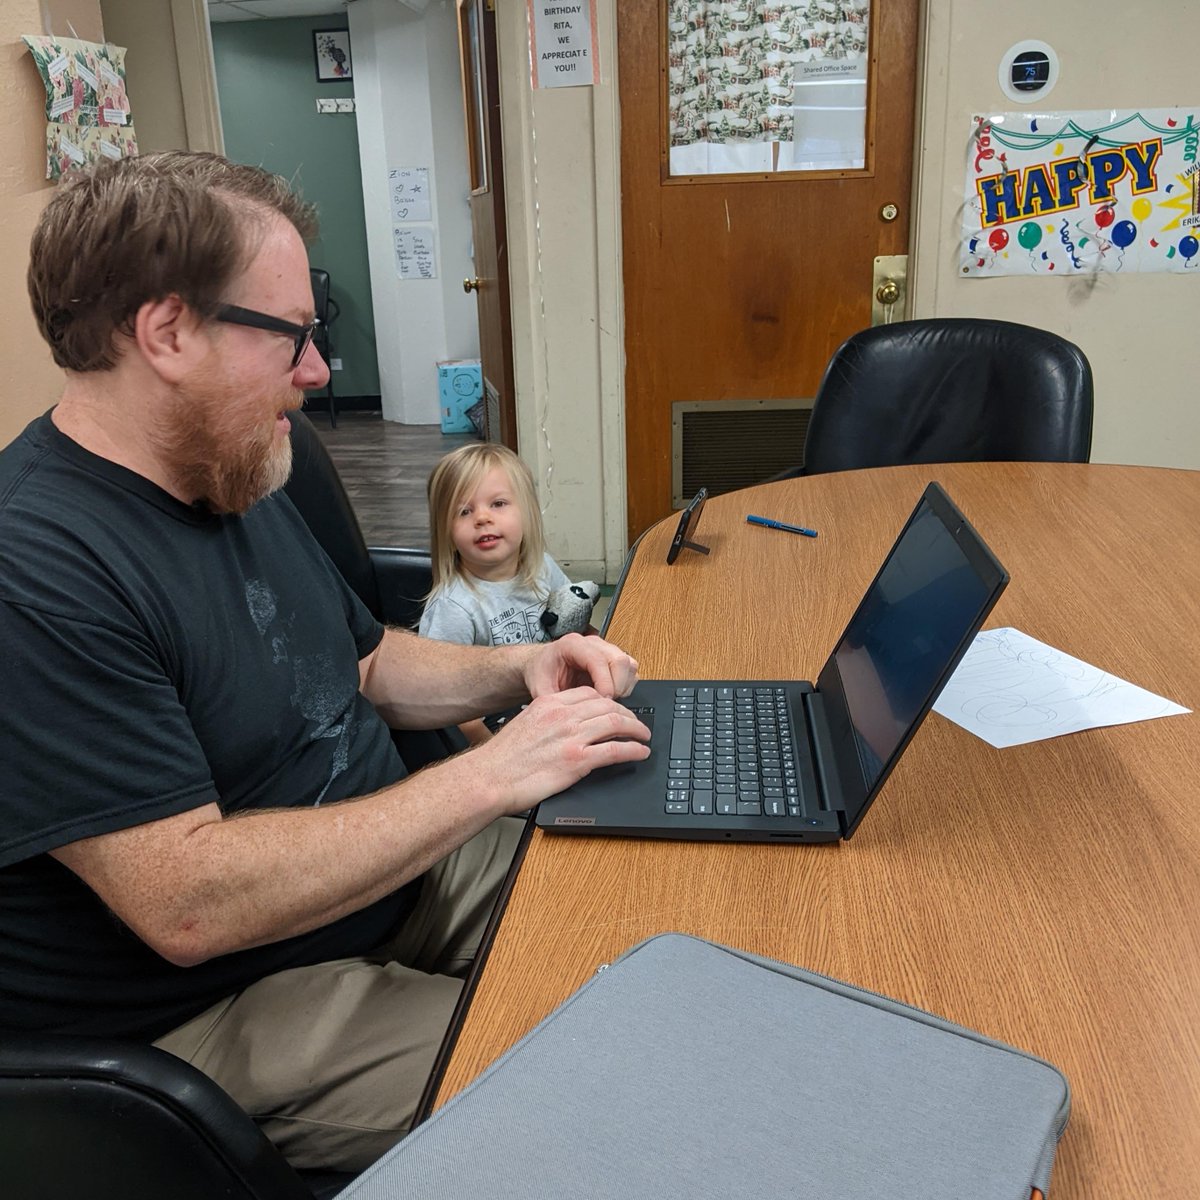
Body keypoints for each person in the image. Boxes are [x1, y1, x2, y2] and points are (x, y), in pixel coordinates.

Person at [0, 151, 650, 1173]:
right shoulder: (35, 570)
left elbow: (360, 661)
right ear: (166, 331)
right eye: (294, 336)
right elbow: (187, 902)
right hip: (219, 997)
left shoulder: (232, 466)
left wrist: (519, 670)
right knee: (616, 1079)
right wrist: (497, 771)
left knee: (668, 924)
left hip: (382, 883)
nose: (318, 371)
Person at [419, 442, 583, 741]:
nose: (482, 518)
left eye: (498, 504)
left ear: (528, 512)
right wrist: (491, 752)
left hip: (549, 694)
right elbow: (444, 698)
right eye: (464, 511)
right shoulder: (454, 607)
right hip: (498, 722)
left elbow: (569, 620)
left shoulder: (542, 567)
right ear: (445, 529)